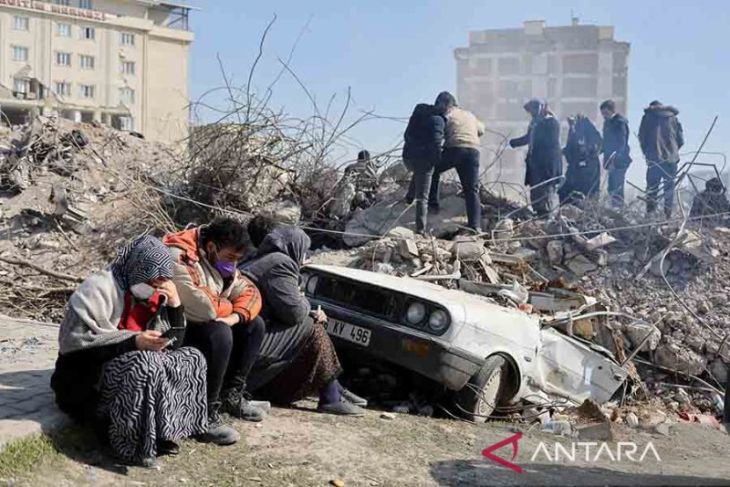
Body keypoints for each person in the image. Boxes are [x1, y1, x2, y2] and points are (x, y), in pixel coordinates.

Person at [50, 236, 210, 467]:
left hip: (138, 365)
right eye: (153, 281)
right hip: (88, 379)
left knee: (191, 357)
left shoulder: (156, 297)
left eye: (160, 283)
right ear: (138, 269)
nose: (156, 288)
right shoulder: (98, 289)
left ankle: (158, 434)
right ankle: (126, 442)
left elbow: (174, 344)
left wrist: (175, 305)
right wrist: (133, 342)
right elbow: (74, 348)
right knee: (144, 363)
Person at [240, 225, 366, 415]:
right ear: (295, 246)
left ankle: (335, 388)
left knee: (308, 321)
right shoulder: (280, 263)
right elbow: (294, 313)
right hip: (249, 343)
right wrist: (306, 303)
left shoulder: (258, 259)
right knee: (312, 325)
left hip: (245, 336)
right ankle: (331, 396)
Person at [164, 218, 267, 428]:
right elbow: (203, 308)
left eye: (238, 259)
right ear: (211, 246)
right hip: (172, 327)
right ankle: (203, 413)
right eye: (230, 257)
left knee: (254, 324)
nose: (233, 264)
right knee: (220, 332)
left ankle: (230, 395)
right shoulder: (180, 255)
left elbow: (251, 293)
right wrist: (228, 306)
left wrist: (234, 316)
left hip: (205, 319)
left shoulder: (222, 260)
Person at [428, 91, 485, 232]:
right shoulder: (470, 115)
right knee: (471, 189)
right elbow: (481, 130)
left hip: (455, 149)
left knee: (432, 170)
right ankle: (475, 226)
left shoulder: (447, 114)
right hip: (473, 151)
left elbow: (438, 134)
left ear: (446, 104)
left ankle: (433, 205)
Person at [509, 99, 562, 219]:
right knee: (535, 191)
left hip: (547, 166)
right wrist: (513, 142)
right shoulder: (535, 123)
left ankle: (548, 216)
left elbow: (550, 141)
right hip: (535, 165)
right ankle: (538, 213)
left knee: (546, 191)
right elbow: (528, 138)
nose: (531, 113)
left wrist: (541, 120)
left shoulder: (551, 122)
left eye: (533, 110)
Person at [403, 97, 446, 234]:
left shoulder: (420, 112)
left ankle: (409, 197)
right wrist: (437, 160)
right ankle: (421, 230)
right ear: (445, 106)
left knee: (419, 172)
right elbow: (436, 142)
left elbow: (407, 135)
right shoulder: (438, 120)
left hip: (407, 157)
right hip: (423, 159)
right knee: (423, 197)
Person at [639, 100, 684, 217]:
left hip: (654, 158)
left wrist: (647, 153)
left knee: (652, 188)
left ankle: (650, 216)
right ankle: (667, 216)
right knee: (669, 189)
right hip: (671, 160)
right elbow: (681, 140)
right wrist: (672, 152)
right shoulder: (673, 118)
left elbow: (642, 137)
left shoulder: (648, 117)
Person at [559, 114, 602, 206]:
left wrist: (587, 152)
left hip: (587, 169)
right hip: (575, 168)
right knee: (564, 192)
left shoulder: (588, 130)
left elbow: (596, 146)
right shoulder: (573, 130)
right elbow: (571, 147)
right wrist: (563, 151)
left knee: (586, 193)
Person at [600, 100, 632, 208]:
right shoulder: (607, 123)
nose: (604, 116)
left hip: (619, 161)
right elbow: (605, 141)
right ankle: (614, 208)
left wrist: (615, 157)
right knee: (611, 187)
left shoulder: (620, 122)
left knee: (617, 187)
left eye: (605, 113)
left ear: (611, 111)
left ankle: (618, 209)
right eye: (602, 114)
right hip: (610, 161)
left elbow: (621, 143)